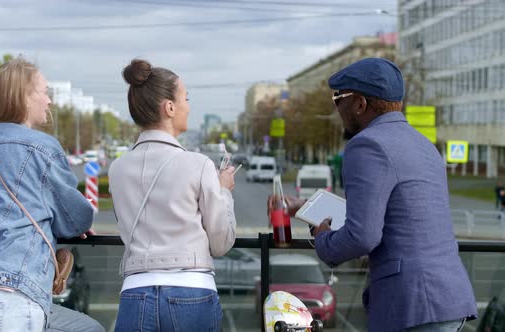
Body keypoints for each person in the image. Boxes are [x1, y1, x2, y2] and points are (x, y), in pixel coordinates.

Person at [270, 58, 477, 332]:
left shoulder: (367, 145)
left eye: (337, 98)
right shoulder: (425, 145)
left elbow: (363, 235)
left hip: (413, 305)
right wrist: (306, 207)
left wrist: (323, 240)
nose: (335, 109)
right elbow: (399, 216)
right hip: (449, 299)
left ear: (359, 104)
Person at [0, 58, 104, 332]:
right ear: (24, 97)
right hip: (12, 293)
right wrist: (76, 222)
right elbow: (76, 217)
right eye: (44, 92)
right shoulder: (43, 147)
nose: (49, 101)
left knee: (87, 328)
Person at [109, 59, 236, 331]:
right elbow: (221, 242)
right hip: (191, 293)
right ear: (169, 107)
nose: (188, 106)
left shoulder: (117, 169)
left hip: (134, 292)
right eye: (185, 98)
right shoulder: (198, 164)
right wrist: (223, 191)